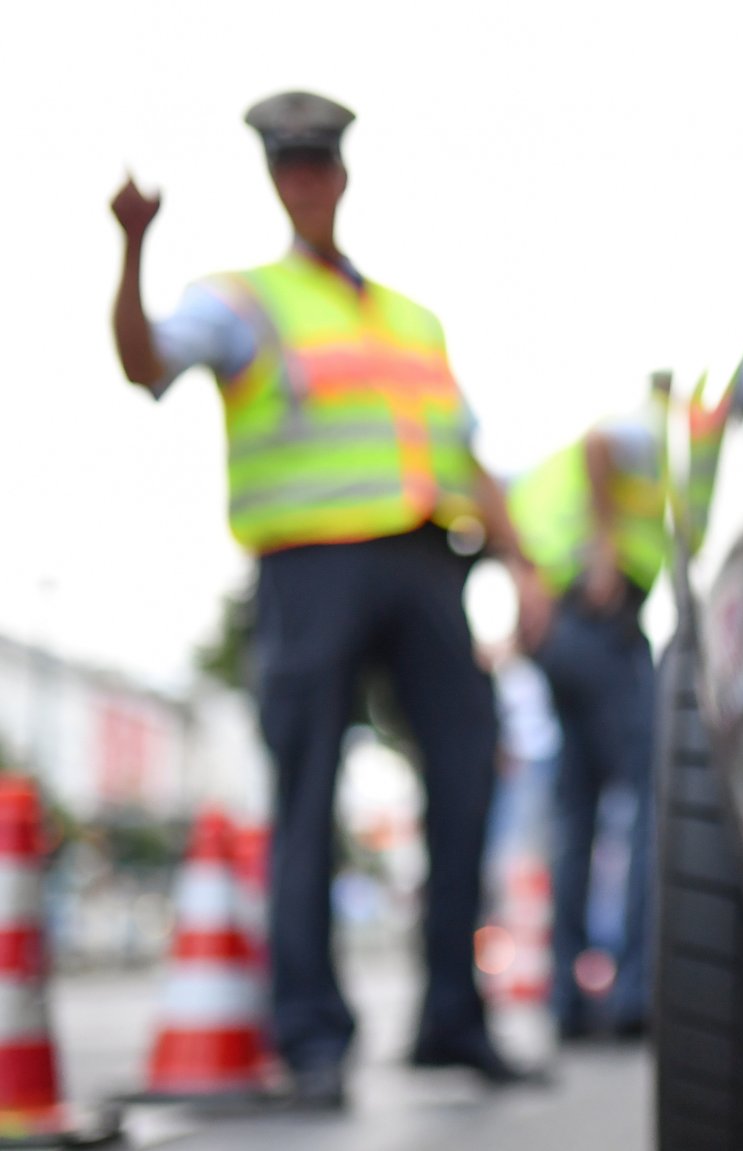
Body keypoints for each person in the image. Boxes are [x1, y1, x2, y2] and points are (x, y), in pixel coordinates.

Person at [107, 91, 551, 1106]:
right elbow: (144, 362)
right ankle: (312, 1032)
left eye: (320, 166)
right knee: (306, 789)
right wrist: (132, 250)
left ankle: (454, 1017)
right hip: (310, 566)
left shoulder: (412, 319)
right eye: (289, 168)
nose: (306, 183)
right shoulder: (241, 300)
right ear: (276, 181)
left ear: (341, 179)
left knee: (467, 778)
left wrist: (525, 564)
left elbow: (467, 456)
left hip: (429, 563)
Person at [507, 370, 670, 1039]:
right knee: (653, 793)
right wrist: (606, 550)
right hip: (600, 623)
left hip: (563, 635)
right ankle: (635, 993)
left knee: (578, 814)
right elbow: (601, 444)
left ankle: (567, 1004)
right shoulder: (659, 426)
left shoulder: (543, 479)